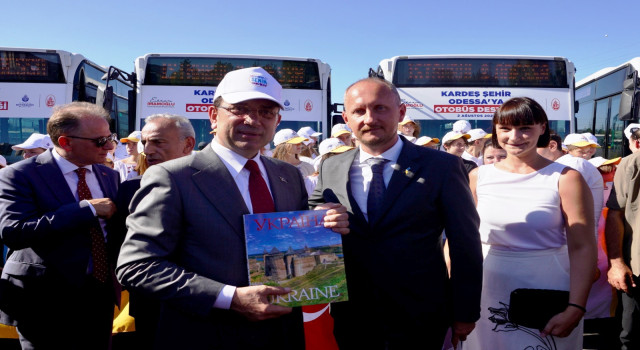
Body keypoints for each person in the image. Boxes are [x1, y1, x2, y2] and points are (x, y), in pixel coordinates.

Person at [116, 67, 348, 349]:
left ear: (277, 121)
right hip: (206, 336)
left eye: (266, 111)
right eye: (239, 109)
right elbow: (137, 266)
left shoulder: (288, 175)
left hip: (283, 335)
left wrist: (324, 225)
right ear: (214, 116)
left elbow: (293, 245)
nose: (253, 120)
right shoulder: (172, 177)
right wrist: (229, 298)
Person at [309, 78, 482, 349]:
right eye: (359, 111)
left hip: (421, 314)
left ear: (400, 113)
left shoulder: (443, 166)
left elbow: (465, 243)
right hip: (353, 314)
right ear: (346, 118)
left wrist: (465, 311)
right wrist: (320, 216)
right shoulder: (332, 167)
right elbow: (312, 215)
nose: (370, 118)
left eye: (380, 108)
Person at [464, 97, 597, 349]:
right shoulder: (478, 177)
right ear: (495, 129)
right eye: (505, 128)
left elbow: (582, 247)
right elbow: (462, 240)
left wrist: (576, 306)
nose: (514, 136)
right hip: (485, 289)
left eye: (525, 127)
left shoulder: (567, 178)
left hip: (547, 290)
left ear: (542, 128)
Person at [0, 102, 120, 349]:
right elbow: (13, 231)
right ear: (65, 142)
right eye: (100, 141)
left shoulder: (109, 174)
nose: (109, 146)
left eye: (110, 137)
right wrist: (84, 209)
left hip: (99, 294)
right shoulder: (18, 175)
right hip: (44, 298)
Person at [113, 113, 196, 349]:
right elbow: (121, 248)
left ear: (187, 144)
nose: (147, 151)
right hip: (149, 303)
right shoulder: (129, 190)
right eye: (144, 143)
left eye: (158, 142)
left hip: (205, 302)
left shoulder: (217, 186)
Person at [605, 147, 640, 349]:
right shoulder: (631, 164)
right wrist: (616, 262)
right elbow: (615, 214)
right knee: (630, 334)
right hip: (637, 268)